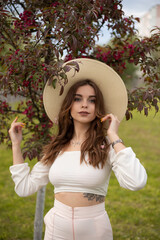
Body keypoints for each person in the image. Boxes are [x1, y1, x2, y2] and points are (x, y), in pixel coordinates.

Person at [9, 58, 147, 240]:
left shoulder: (106, 145)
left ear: (98, 107)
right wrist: (17, 145)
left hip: (95, 230)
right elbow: (25, 188)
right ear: (69, 105)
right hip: (56, 229)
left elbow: (136, 182)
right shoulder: (56, 147)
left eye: (92, 100)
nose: (84, 105)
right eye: (77, 99)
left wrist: (113, 136)